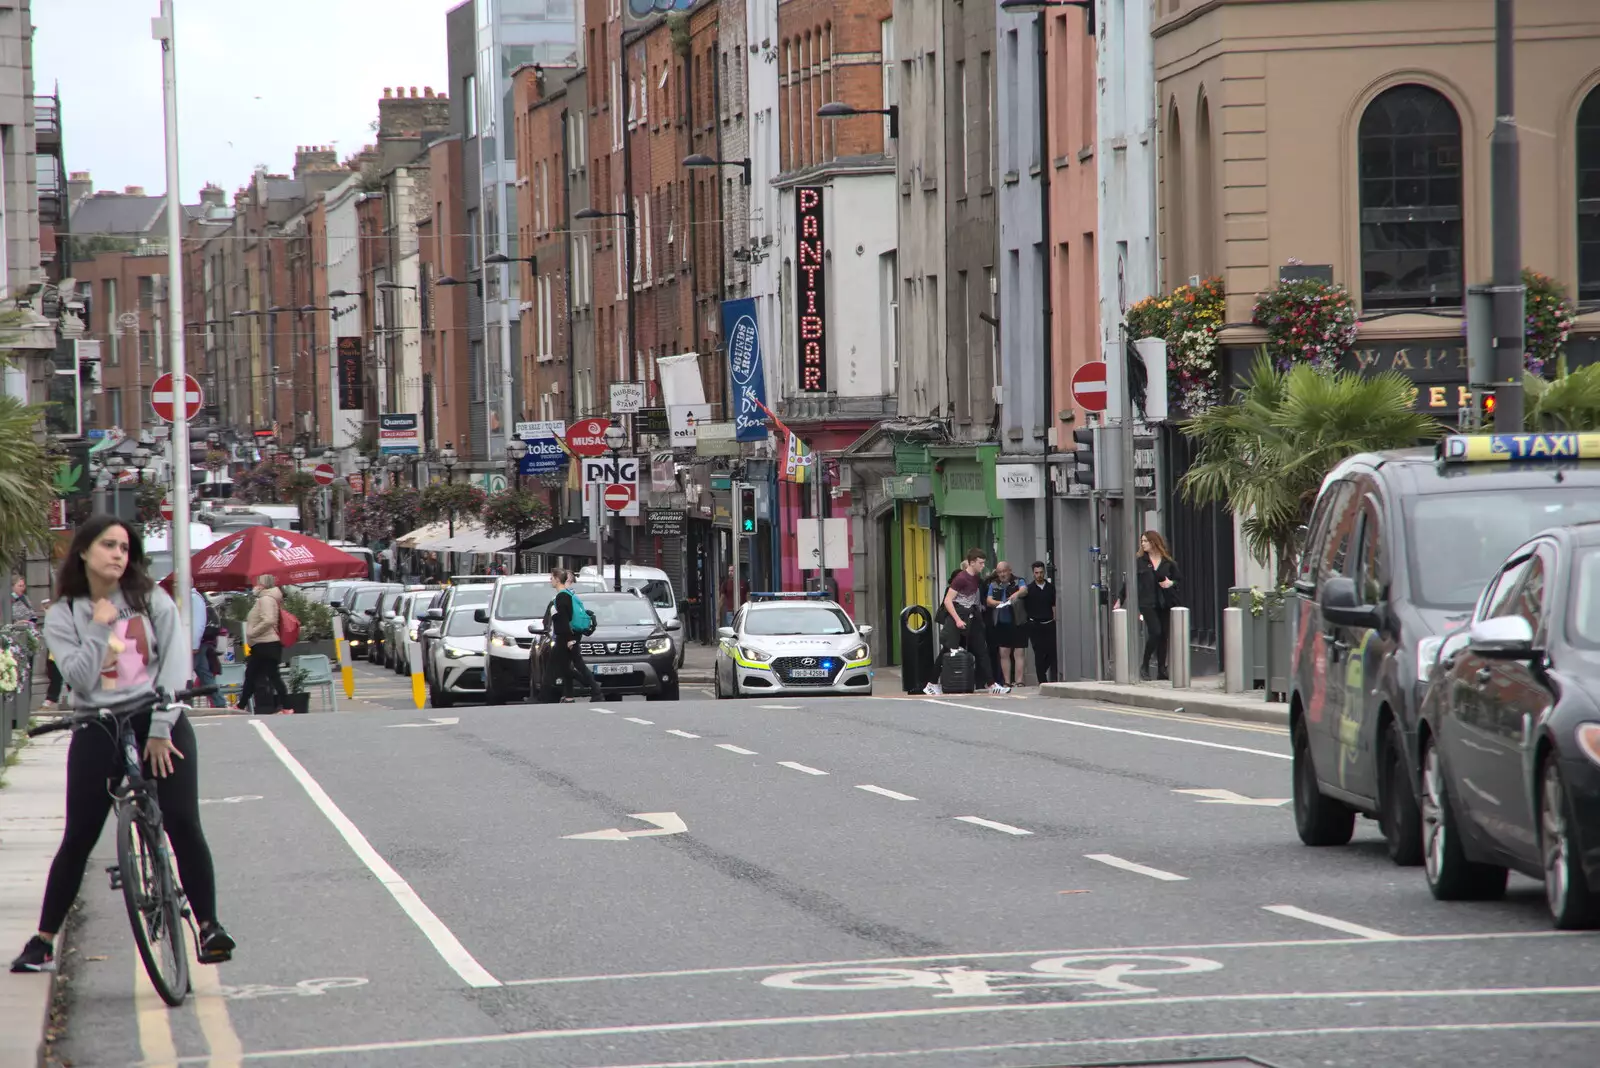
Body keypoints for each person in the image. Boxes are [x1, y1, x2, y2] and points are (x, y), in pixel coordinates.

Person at [10, 515, 234, 974]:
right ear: (84, 552)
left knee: (183, 822)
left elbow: (175, 664)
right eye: (108, 545)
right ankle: (44, 938)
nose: (118, 554)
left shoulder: (151, 600)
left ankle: (209, 926)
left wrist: (160, 729)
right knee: (79, 836)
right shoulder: (62, 614)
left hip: (159, 717)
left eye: (125, 548)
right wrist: (99, 626)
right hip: (98, 722)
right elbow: (75, 676)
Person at [925, 548, 1006, 697]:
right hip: (958, 616)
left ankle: (992, 684)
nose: (983, 566)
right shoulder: (961, 578)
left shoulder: (975, 577)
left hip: (971, 616)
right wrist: (957, 620)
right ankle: (931, 683)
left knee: (982, 650)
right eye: (981, 563)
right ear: (972, 562)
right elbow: (948, 601)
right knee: (947, 650)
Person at [1115, 530, 1180, 680]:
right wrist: (1120, 599)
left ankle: (1161, 669)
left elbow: (1178, 580)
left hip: (1165, 602)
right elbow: (1128, 582)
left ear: (1154, 542)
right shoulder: (1139, 563)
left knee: (1163, 635)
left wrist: (1171, 583)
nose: (1143, 544)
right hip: (1146, 602)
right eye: (1142, 541)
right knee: (1155, 632)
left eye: (1145, 541)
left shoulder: (1168, 562)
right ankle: (1144, 664)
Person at [545, 569, 604, 703]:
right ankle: (579, 693)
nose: (550, 580)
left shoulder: (563, 596)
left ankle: (544, 697)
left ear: (558, 579)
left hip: (567, 636)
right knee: (567, 666)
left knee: (556, 666)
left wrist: (570, 639)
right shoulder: (567, 595)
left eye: (551, 578)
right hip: (568, 635)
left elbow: (565, 618)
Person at [241, 575, 289, 714]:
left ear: (263, 584)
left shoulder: (266, 599)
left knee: (264, 675)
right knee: (255, 675)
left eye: (257, 583)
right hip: (264, 644)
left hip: (265, 644)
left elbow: (268, 620)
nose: (254, 586)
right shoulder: (267, 598)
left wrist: (252, 633)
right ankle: (241, 705)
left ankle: (286, 706)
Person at [986, 562, 1028, 688]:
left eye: (1004, 571)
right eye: (999, 572)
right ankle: (1007, 682)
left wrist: (1016, 595)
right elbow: (989, 600)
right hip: (1001, 622)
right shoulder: (993, 584)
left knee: (1019, 652)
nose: (1002, 574)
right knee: (1004, 652)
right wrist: (1000, 603)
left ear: (1010, 570)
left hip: (1018, 621)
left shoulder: (1018, 581)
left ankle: (1019, 681)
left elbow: (1024, 590)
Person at [1022, 561, 1059, 683]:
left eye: (1041, 572)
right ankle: (1042, 681)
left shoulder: (1050, 588)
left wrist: (1055, 617)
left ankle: (1042, 671)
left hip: (1049, 623)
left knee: (1052, 652)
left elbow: (1053, 604)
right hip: (1035, 625)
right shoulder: (1029, 589)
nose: (1039, 575)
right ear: (1033, 574)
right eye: (1037, 573)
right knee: (1039, 652)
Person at [190, 587, 217, 701]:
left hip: (195, 644)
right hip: (200, 643)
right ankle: (219, 702)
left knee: (185, 675)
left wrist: (194, 644)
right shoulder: (195, 597)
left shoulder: (193, 598)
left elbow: (198, 623)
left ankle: (185, 703)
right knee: (205, 674)